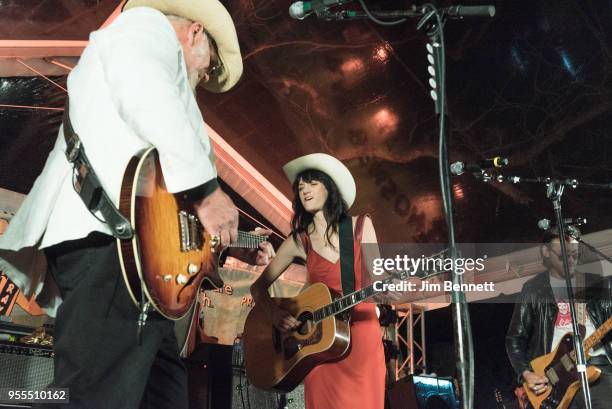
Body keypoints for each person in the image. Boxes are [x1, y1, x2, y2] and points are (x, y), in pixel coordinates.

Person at [0, 0, 274, 408]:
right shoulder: (146, 27)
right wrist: (206, 191)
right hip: (110, 249)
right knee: (96, 396)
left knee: (163, 394)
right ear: (195, 32)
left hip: (142, 267)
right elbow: (146, 91)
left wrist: (224, 240)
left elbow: (164, 201)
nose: (203, 75)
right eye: (209, 64)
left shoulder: (159, 85)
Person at [250, 153, 386, 409]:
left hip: (362, 340)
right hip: (320, 347)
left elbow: (380, 282)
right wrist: (275, 314)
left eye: (312, 182)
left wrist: (393, 289)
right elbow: (258, 288)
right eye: (300, 186)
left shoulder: (360, 226)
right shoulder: (298, 241)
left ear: (329, 187)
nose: (304, 189)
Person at [506, 226, 612, 408]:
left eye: (574, 255)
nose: (570, 260)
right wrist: (526, 373)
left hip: (597, 368)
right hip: (553, 379)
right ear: (546, 252)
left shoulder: (598, 284)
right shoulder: (533, 289)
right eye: (563, 256)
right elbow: (514, 339)